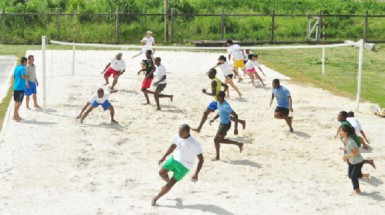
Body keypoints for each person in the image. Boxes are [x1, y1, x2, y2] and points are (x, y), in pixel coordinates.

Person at [152, 124, 204, 206]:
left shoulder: (195, 144)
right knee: (161, 173)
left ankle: (155, 198)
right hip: (175, 159)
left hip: (185, 166)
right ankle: (168, 185)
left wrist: (196, 173)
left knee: (170, 184)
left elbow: (201, 159)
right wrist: (164, 156)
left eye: (181, 133)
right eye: (179, 132)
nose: (179, 135)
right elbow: (173, 146)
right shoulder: (178, 136)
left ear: (187, 132)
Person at [209, 91, 245, 160]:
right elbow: (220, 112)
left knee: (216, 140)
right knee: (219, 140)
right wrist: (214, 119)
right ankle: (239, 144)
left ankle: (217, 157)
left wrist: (236, 128)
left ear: (221, 97)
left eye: (217, 96)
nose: (216, 97)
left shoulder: (226, 106)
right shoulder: (219, 103)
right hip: (222, 124)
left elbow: (235, 115)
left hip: (225, 125)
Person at [192, 68, 228, 133]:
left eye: (209, 73)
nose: (208, 74)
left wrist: (205, 92)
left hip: (216, 101)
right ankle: (199, 128)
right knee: (226, 114)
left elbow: (214, 93)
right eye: (208, 73)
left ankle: (199, 128)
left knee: (206, 113)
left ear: (213, 74)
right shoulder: (217, 80)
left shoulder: (213, 81)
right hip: (219, 100)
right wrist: (222, 94)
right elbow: (226, 86)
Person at [340, 125, 370, 194]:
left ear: (346, 132)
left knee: (353, 177)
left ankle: (357, 190)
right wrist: (344, 153)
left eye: (341, 131)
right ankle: (366, 175)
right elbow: (348, 149)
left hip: (358, 162)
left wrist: (347, 156)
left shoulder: (351, 142)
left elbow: (357, 152)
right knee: (350, 175)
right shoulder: (344, 139)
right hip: (352, 161)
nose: (340, 132)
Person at [13, 57, 29, 122]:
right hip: (20, 88)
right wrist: (27, 77)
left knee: (16, 102)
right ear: (24, 61)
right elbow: (22, 76)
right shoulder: (22, 68)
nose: (26, 63)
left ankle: (16, 115)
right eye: (26, 62)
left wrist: (26, 84)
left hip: (16, 87)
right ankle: (15, 116)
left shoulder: (17, 67)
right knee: (19, 102)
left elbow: (15, 77)